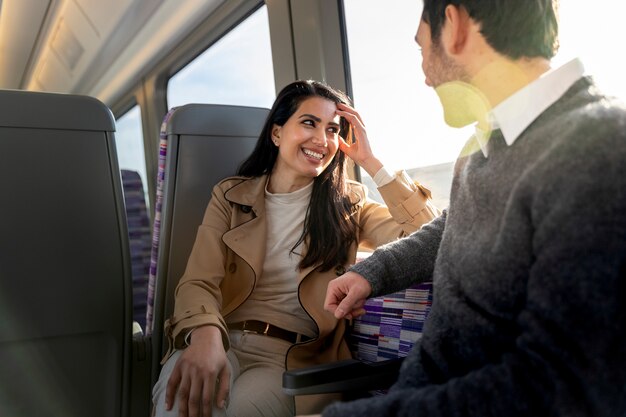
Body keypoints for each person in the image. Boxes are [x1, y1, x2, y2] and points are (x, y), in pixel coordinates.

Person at [320, 1, 626, 416]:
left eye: (421, 48)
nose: (425, 75)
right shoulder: (483, 150)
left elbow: (562, 385)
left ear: (455, 25)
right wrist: (373, 272)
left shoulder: (599, 148)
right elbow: (452, 227)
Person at [151, 79, 439, 417]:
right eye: (309, 123)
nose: (322, 139)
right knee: (181, 405)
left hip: (293, 358)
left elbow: (430, 238)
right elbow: (198, 282)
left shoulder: (350, 204)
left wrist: (371, 162)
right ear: (276, 133)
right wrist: (205, 335)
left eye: (333, 129)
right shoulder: (231, 196)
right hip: (219, 336)